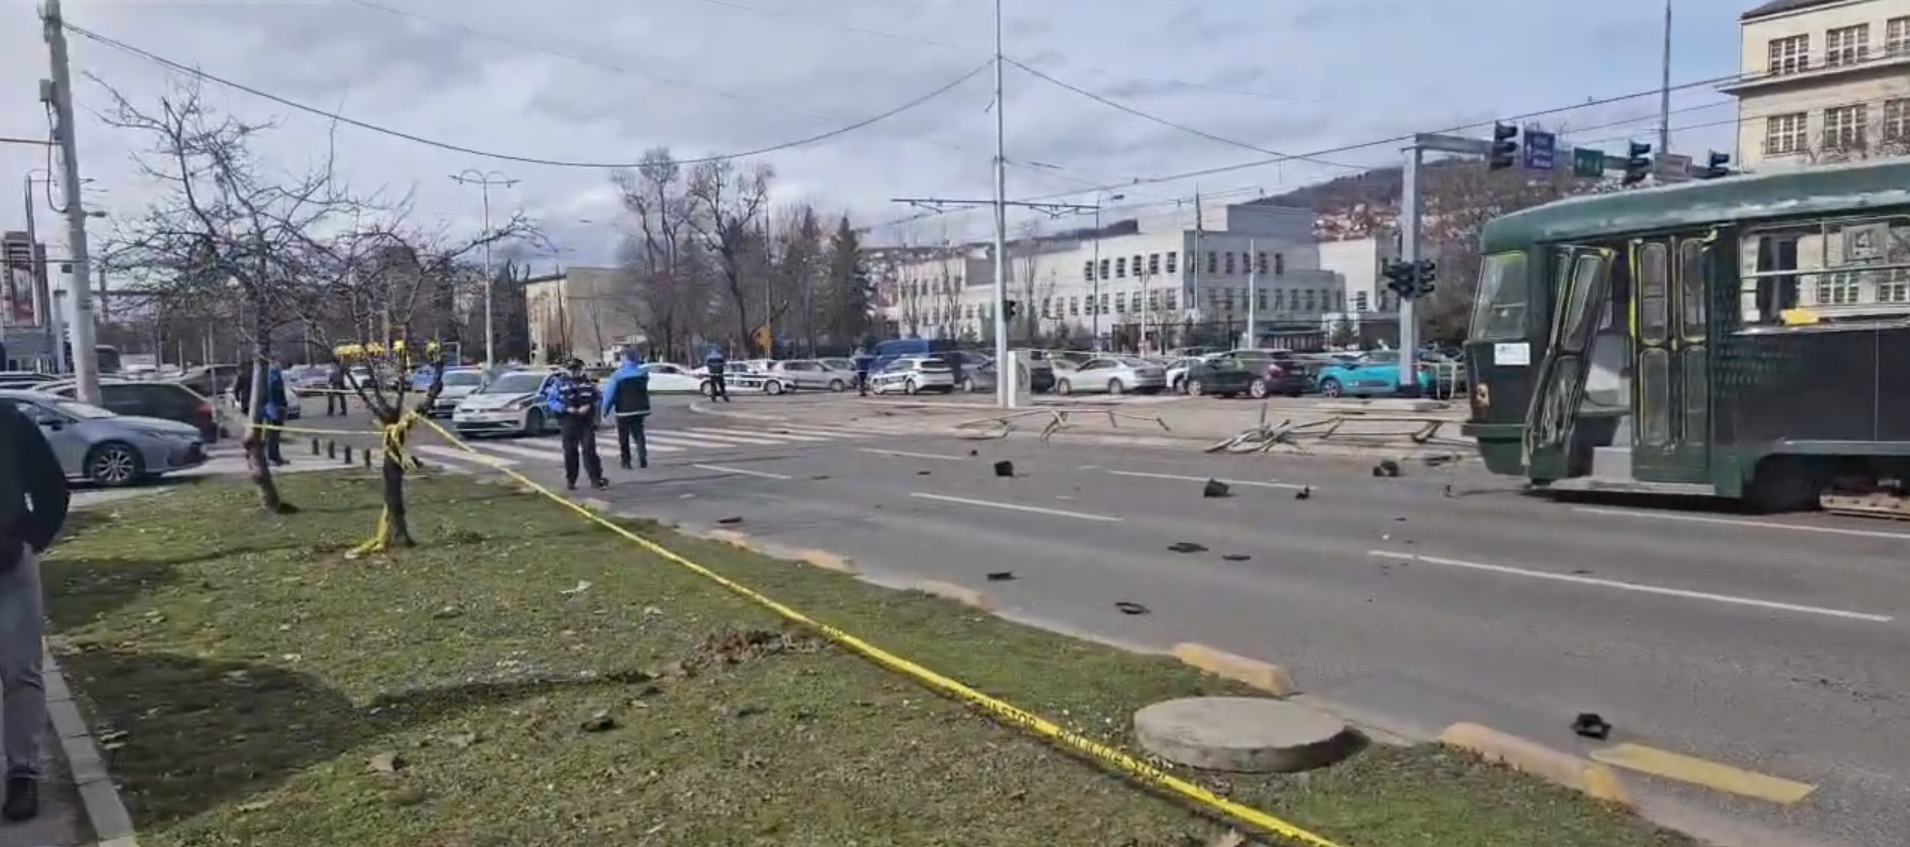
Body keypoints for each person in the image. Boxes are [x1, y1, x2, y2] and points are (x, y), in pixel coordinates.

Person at [0, 398, 72, 822]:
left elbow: (51, 485)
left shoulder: (9, 421)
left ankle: (22, 774)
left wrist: (30, 540)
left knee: (21, 672)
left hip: (9, 566)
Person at [544, 358, 607, 490]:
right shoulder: (559, 384)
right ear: (566, 370)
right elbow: (551, 401)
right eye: (571, 369)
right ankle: (571, 480)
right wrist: (565, 408)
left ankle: (595, 479)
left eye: (576, 369)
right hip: (568, 421)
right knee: (570, 452)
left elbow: (599, 398)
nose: (573, 372)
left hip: (585, 422)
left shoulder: (588, 383)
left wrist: (589, 406)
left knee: (589, 450)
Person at [601, 349, 652, 470]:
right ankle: (642, 456)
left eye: (622, 358)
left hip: (623, 410)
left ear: (626, 359)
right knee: (639, 434)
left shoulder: (617, 375)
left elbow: (610, 394)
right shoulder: (643, 373)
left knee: (623, 437)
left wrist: (605, 410)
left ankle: (626, 461)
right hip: (640, 409)